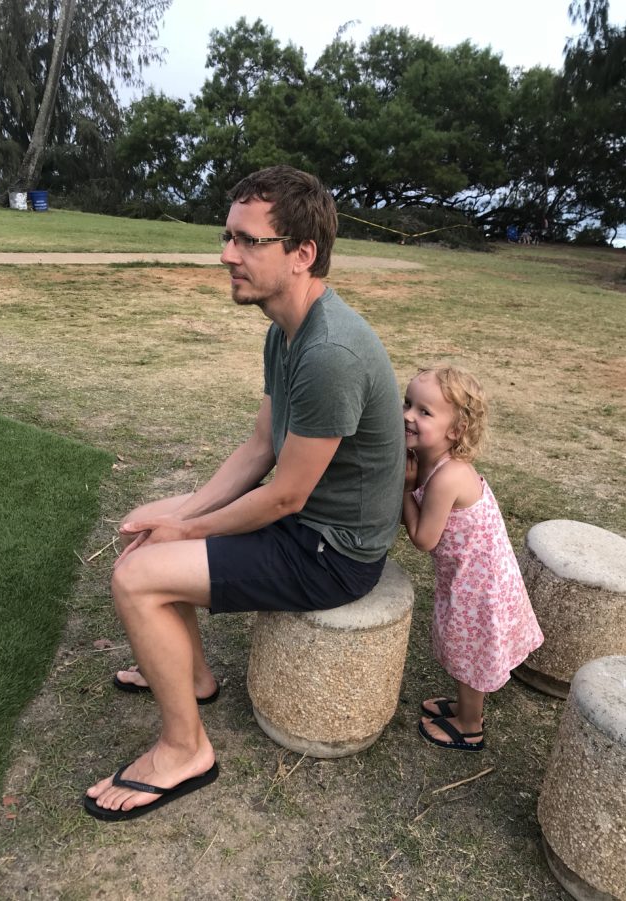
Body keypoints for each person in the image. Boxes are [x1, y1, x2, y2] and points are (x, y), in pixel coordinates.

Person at [84, 166, 406, 820]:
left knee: (136, 578)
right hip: (302, 522)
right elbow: (259, 449)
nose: (227, 255)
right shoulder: (283, 331)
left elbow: (285, 496)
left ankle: (185, 750)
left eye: (248, 241)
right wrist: (180, 513)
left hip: (332, 552)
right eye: (227, 237)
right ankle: (193, 677)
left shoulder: (331, 352)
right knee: (146, 532)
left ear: (302, 253)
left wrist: (186, 529)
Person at [402, 365, 543, 752]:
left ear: (456, 430)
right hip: (470, 575)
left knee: (470, 654)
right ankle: (466, 708)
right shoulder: (427, 459)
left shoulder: (448, 476)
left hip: (479, 586)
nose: (408, 415)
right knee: (464, 648)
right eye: (407, 403)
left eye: (424, 411)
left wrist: (405, 489)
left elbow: (423, 539)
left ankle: (468, 725)